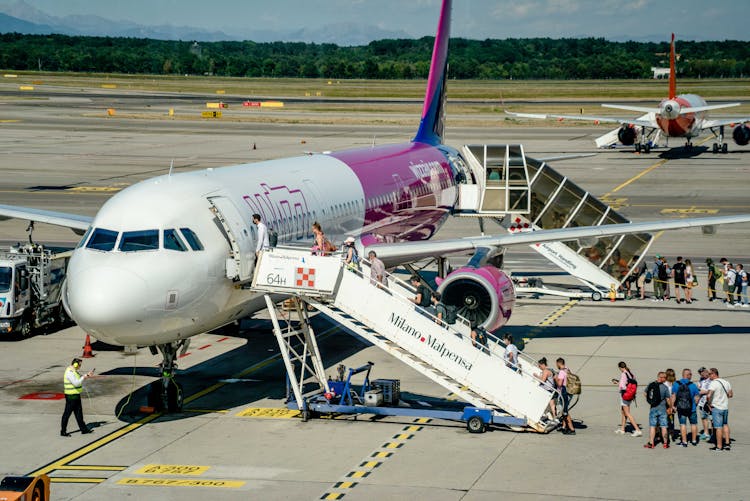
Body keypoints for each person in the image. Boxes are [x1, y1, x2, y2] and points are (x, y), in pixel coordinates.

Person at [61, 357, 93, 437]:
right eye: (80, 365)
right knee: (67, 414)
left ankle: (84, 429)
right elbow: (76, 383)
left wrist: (87, 375)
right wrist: (84, 377)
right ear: (75, 364)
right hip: (71, 396)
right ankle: (63, 431)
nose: (80, 366)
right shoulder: (70, 372)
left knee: (79, 413)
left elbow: (79, 378)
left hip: (76, 395)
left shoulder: (74, 371)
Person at [671, 368, 700, 446]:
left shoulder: (676, 384)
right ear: (688, 375)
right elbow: (697, 397)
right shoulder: (693, 385)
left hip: (681, 408)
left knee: (683, 424)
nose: (691, 376)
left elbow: (673, 396)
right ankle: (694, 441)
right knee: (693, 424)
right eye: (690, 374)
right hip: (692, 408)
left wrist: (673, 406)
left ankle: (684, 441)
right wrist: (695, 405)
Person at [707, 367, 733, 451]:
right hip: (725, 407)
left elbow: (708, 395)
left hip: (717, 407)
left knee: (718, 427)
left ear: (714, 374)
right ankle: (727, 443)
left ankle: (719, 446)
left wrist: (709, 404)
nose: (708, 376)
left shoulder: (713, 383)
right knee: (725, 424)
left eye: (710, 374)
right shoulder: (726, 382)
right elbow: (730, 395)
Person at [613, 361, 642, 436]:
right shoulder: (630, 373)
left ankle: (637, 430)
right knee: (623, 411)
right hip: (630, 394)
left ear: (620, 367)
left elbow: (622, 386)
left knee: (627, 413)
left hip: (625, 395)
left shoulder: (623, 374)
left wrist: (617, 383)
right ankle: (622, 429)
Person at [644, 371, 671, 449]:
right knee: (664, 426)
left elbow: (645, 393)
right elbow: (668, 400)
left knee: (652, 426)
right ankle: (665, 443)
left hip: (653, 408)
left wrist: (650, 400)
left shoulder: (651, 385)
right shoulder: (665, 388)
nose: (666, 379)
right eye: (665, 377)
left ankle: (651, 443)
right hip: (662, 409)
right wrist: (670, 407)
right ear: (661, 378)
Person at [556, 358, 575, 435]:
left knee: (565, 411)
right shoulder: (567, 369)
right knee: (565, 410)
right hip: (569, 392)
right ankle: (564, 427)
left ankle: (572, 429)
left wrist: (556, 379)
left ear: (558, 363)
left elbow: (560, 384)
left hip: (564, 393)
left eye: (556, 364)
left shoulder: (561, 372)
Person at [696, 367, 713, 441]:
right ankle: (706, 433)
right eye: (701, 374)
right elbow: (698, 388)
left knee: (712, 419)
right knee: (703, 418)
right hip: (701, 402)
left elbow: (712, 390)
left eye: (703, 373)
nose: (702, 375)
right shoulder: (701, 380)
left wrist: (703, 392)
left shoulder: (711, 380)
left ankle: (713, 434)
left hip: (709, 402)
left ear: (706, 372)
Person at [664, 368, 676, 441]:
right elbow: (674, 395)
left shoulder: (664, 384)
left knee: (665, 420)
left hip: (666, 405)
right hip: (672, 405)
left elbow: (667, 397)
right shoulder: (674, 384)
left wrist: (670, 406)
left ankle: (665, 435)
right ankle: (671, 435)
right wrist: (673, 406)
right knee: (671, 420)